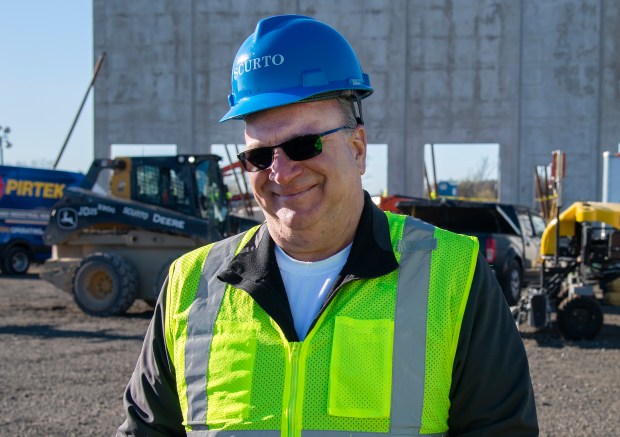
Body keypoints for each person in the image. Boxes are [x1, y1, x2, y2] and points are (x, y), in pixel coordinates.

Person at [117, 15, 538, 436]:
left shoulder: (452, 276)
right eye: (260, 156)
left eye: (304, 145)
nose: (280, 173)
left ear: (357, 149)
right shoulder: (191, 284)